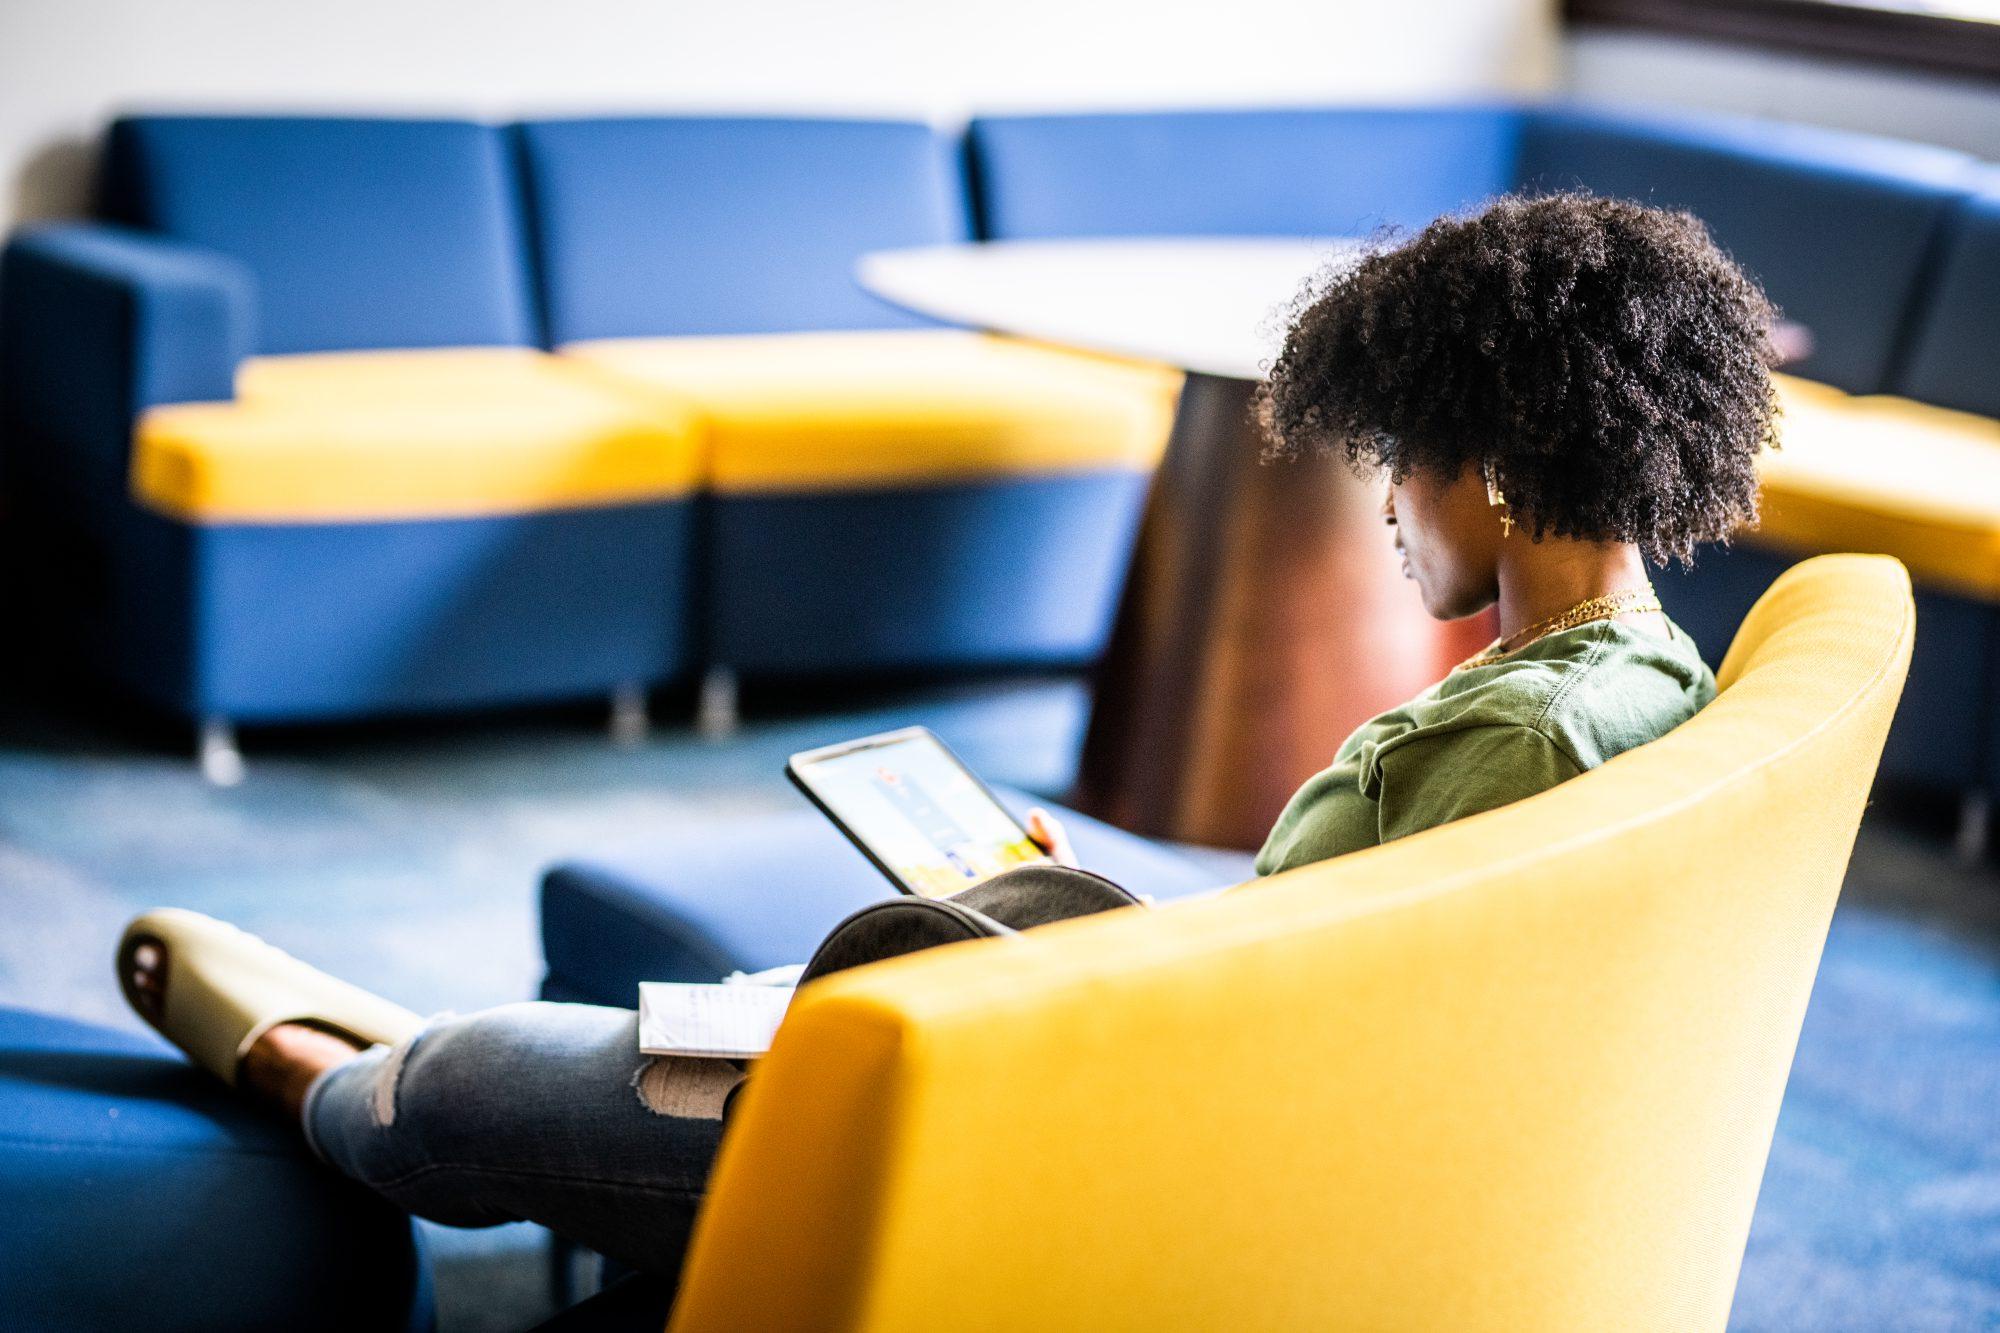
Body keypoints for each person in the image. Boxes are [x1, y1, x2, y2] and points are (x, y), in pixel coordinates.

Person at [115, 192, 1778, 1287]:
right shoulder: (1633, 684)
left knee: (475, 1085)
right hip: (1126, 1040)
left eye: (1401, 455)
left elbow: (1307, 1043)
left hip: (1085, 1133)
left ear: (1484, 464)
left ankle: (311, 1064)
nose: (1392, 506)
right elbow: (1336, 971)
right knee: (696, 1026)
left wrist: (1072, 977)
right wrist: (1073, 909)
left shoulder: (1524, 745)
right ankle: (415, 1065)